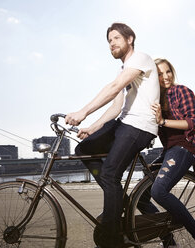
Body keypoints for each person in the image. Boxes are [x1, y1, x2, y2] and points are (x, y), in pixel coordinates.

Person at [65, 23, 160, 247]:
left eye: (116, 38)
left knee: (109, 175)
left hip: (140, 126)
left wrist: (83, 112)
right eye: (109, 41)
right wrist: (93, 127)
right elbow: (116, 107)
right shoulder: (124, 70)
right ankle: (119, 200)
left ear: (130, 39)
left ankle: (113, 236)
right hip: (124, 122)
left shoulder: (141, 59)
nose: (112, 43)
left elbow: (115, 87)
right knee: (83, 149)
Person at [148, 58, 195, 248]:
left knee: (159, 191)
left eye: (168, 71)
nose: (165, 77)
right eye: (160, 74)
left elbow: (193, 122)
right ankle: (169, 242)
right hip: (169, 150)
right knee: (142, 195)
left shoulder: (181, 91)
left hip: (186, 146)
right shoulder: (155, 100)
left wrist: (162, 122)